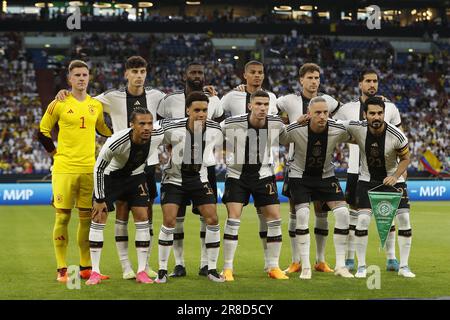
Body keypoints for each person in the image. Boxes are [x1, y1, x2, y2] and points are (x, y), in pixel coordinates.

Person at [55, 56, 164, 280]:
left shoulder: (157, 96)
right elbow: (83, 99)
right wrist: (64, 94)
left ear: (147, 73)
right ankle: (125, 267)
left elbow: (182, 105)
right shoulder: (111, 97)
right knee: (121, 215)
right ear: (126, 74)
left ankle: (146, 264)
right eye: (134, 71)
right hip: (118, 164)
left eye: (142, 71)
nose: (139, 75)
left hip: (147, 164)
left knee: (146, 214)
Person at [38, 60, 112, 282]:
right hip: (64, 170)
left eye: (85, 75)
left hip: (89, 169)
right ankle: (62, 270)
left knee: (86, 220)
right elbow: (42, 131)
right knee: (62, 218)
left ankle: (85, 268)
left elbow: (104, 130)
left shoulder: (96, 105)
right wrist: (55, 155)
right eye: (77, 75)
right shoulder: (58, 103)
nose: (81, 78)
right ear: (69, 79)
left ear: (89, 77)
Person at [156, 62, 224, 278]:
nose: (202, 114)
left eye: (205, 110)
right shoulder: (170, 126)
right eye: (197, 110)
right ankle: (166, 269)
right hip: (174, 179)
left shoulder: (215, 128)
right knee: (171, 221)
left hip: (200, 178)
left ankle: (210, 268)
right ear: (187, 110)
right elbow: (153, 138)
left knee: (212, 219)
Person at [333, 69, 403, 272]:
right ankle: (350, 258)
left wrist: (400, 171)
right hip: (357, 170)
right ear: (359, 84)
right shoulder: (347, 108)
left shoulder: (390, 108)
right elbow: (332, 126)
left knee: (387, 215)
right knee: (354, 216)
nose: (372, 84)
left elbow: (400, 138)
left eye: (375, 81)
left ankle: (391, 258)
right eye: (368, 81)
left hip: (385, 172)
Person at [86, 108, 164, 285]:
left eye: (149, 123)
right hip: (110, 177)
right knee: (98, 218)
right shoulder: (116, 142)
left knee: (143, 217)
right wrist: (99, 199)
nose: (147, 127)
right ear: (132, 125)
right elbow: (98, 168)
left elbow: (175, 123)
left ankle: (141, 271)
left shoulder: (157, 134)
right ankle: (95, 272)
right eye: (141, 123)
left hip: (135, 176)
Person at [279, 97, 354, 279]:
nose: (322, 116)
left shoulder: (337, 128)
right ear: (309, 114)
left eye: (325, 112)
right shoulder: (297, 129)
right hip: (300, 176)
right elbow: (280, 137)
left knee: (343, 214)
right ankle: (304, 266)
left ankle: (341, 266)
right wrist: (293, 123)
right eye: (317, 113)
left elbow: (357, 129)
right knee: (302, 215)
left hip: (326, 176)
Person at [277, 62, 341, 275]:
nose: (314, 81)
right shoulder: (289, 100)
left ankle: (320, 260)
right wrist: (290, 122)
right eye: (310, 77)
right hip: (297, 164)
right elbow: (269, 110)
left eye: (317, 77)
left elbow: (341, 119)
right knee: (296, 212)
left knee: (322, 212)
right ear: (301, 80)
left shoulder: (329, 101)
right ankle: (296, 260)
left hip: (322, 165)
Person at [342, 97, 414, 278]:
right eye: (372, 113)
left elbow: (406, 158)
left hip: (393, 180)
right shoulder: (357, 127)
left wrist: (396, 176)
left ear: (384, 114)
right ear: (365, 114)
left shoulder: (397, 135)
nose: (377, 117)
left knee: (404, 218)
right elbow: (334, 124)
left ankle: (404, 266)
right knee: (363, 221)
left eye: (380, 113)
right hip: (367, 180)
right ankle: (362, 266)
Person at [220, 90, 288, 281]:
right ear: (250, 105)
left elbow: (287, 136)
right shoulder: (233, 122)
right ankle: (227, 268)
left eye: (266, 104)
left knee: (274, 219)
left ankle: (273, 266)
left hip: (264, 174)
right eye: (258, 104)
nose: (262, 108)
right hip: (236, 175)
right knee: (233, 219)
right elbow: (213, 132)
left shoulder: (276, 123)